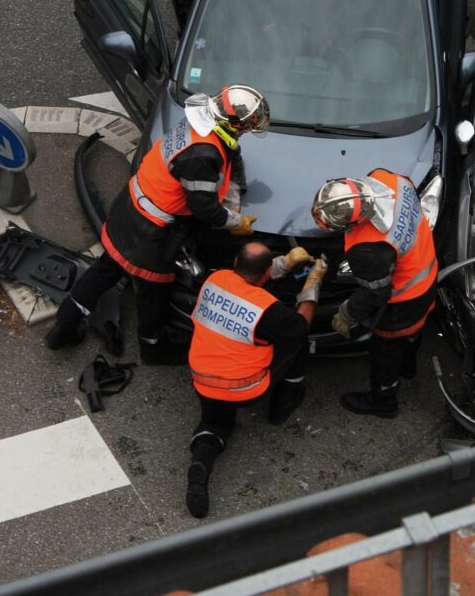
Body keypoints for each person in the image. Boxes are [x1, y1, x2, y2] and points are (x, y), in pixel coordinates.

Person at [45, 85, 268, 364]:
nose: (246, 132)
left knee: (104, 269)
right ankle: (153, 349)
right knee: (152, 295)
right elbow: (205, 208)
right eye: (246, 127)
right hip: (151, 233)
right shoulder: (203, 155)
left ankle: (64, 326)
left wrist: (234, 194)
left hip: (131, 209)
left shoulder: (200, 122)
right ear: (234, 124)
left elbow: (232, 155)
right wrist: (236, 221)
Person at [185, 242, 327, 518]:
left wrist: (283, 264)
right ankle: (283, 405)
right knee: (296, 344)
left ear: (236, 260)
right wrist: (312, 285)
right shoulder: (269, 310)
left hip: (203, 380)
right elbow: (299, 327)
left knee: (215, 424)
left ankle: (201, 464)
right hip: (245, 388)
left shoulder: (215, 279)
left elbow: (249, 279)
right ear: (265, 272)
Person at [311, 169, 437, 418]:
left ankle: (383, 401)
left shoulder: (369, 249)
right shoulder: (387, 179)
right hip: (426, 271)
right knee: (412, 336)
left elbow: (375, 294)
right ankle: (408, 367)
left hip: (403, 301)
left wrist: (347, 314)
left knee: (386, 352)